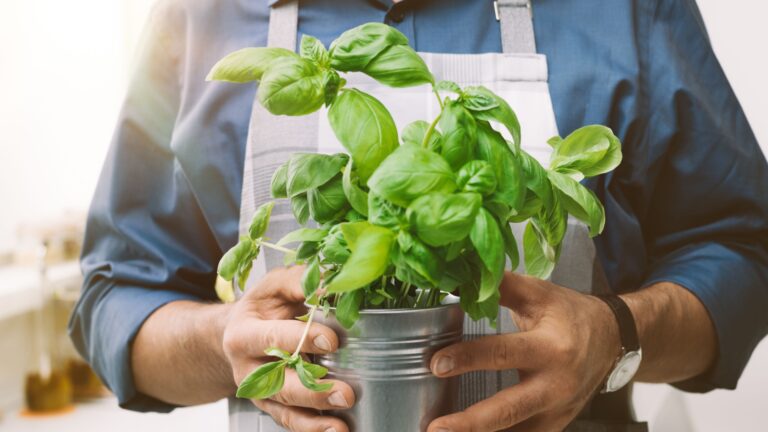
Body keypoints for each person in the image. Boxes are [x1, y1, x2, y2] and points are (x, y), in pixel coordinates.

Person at [69, 0, 768, 431]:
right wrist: (223, 338)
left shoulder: (628, 7)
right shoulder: (200, 15)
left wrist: (615, 333)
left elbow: (745, 254)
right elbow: (114, 298)